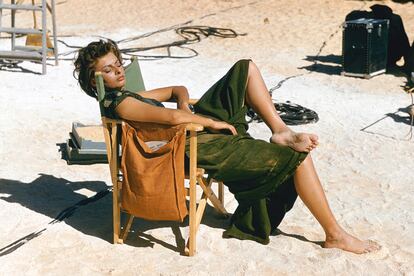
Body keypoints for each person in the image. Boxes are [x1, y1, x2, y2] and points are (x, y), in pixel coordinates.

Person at [74, 40, 380, 254]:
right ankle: (335, 235)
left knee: (244, 69)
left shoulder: (128, 93)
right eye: (108, 70)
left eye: (118, 64)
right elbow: (169, 117)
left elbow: (176, 91)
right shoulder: (124, 105)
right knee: (297, 158)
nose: (118, 71)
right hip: (187, 146)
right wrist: (208, 121)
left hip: (192, 129)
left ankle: (281, 130)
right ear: (93, 82)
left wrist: (185, 104)